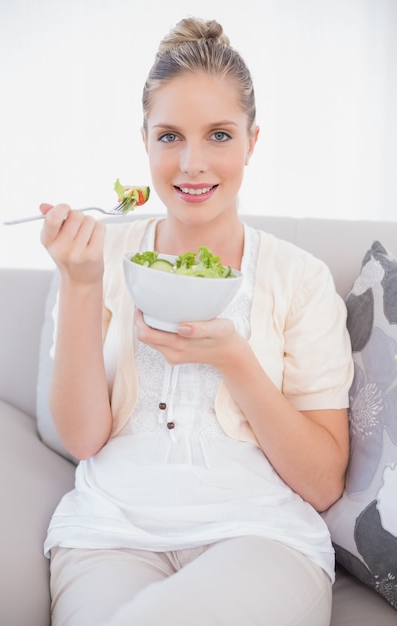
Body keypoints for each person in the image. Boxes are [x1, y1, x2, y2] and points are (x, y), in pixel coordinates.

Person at [40, 16, 353, 626]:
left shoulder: (301, 279)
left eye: (218, 135)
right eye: (169, 137)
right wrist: (78, 285)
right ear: (145, 142)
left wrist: (232, 358)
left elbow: (322, 485)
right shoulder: (98, 258)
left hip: (260, 535)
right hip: (110, 534)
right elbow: (82, 440)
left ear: (251, 142)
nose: (191, 163)